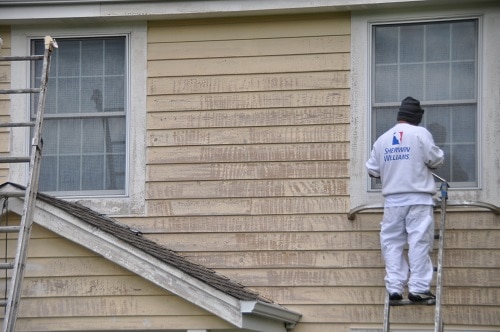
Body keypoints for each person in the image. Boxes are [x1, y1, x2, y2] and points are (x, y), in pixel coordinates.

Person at [366, 96, 444, 302]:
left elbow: (372, 170)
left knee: (391, 243)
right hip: (418, 199)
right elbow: (435, 159)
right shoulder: (420, 134)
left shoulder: (383, 139)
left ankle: (394, 289)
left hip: (393, 201)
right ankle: (418, 289)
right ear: (417, 117)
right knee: (419, 241)